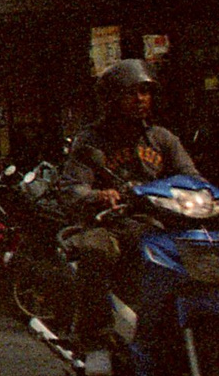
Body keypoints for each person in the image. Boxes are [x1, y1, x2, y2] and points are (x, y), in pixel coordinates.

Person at [55, 60, 203, 354]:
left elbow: (191, 177)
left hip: (159, 222)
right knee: (96, 251)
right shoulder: (92, 140)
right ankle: (91, 337)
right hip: (110, 223)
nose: (140, 99)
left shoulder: (161, 138)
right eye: (130, 93)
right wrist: (99, 195)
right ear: (111, 100)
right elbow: (72, 186)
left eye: (145, 92)